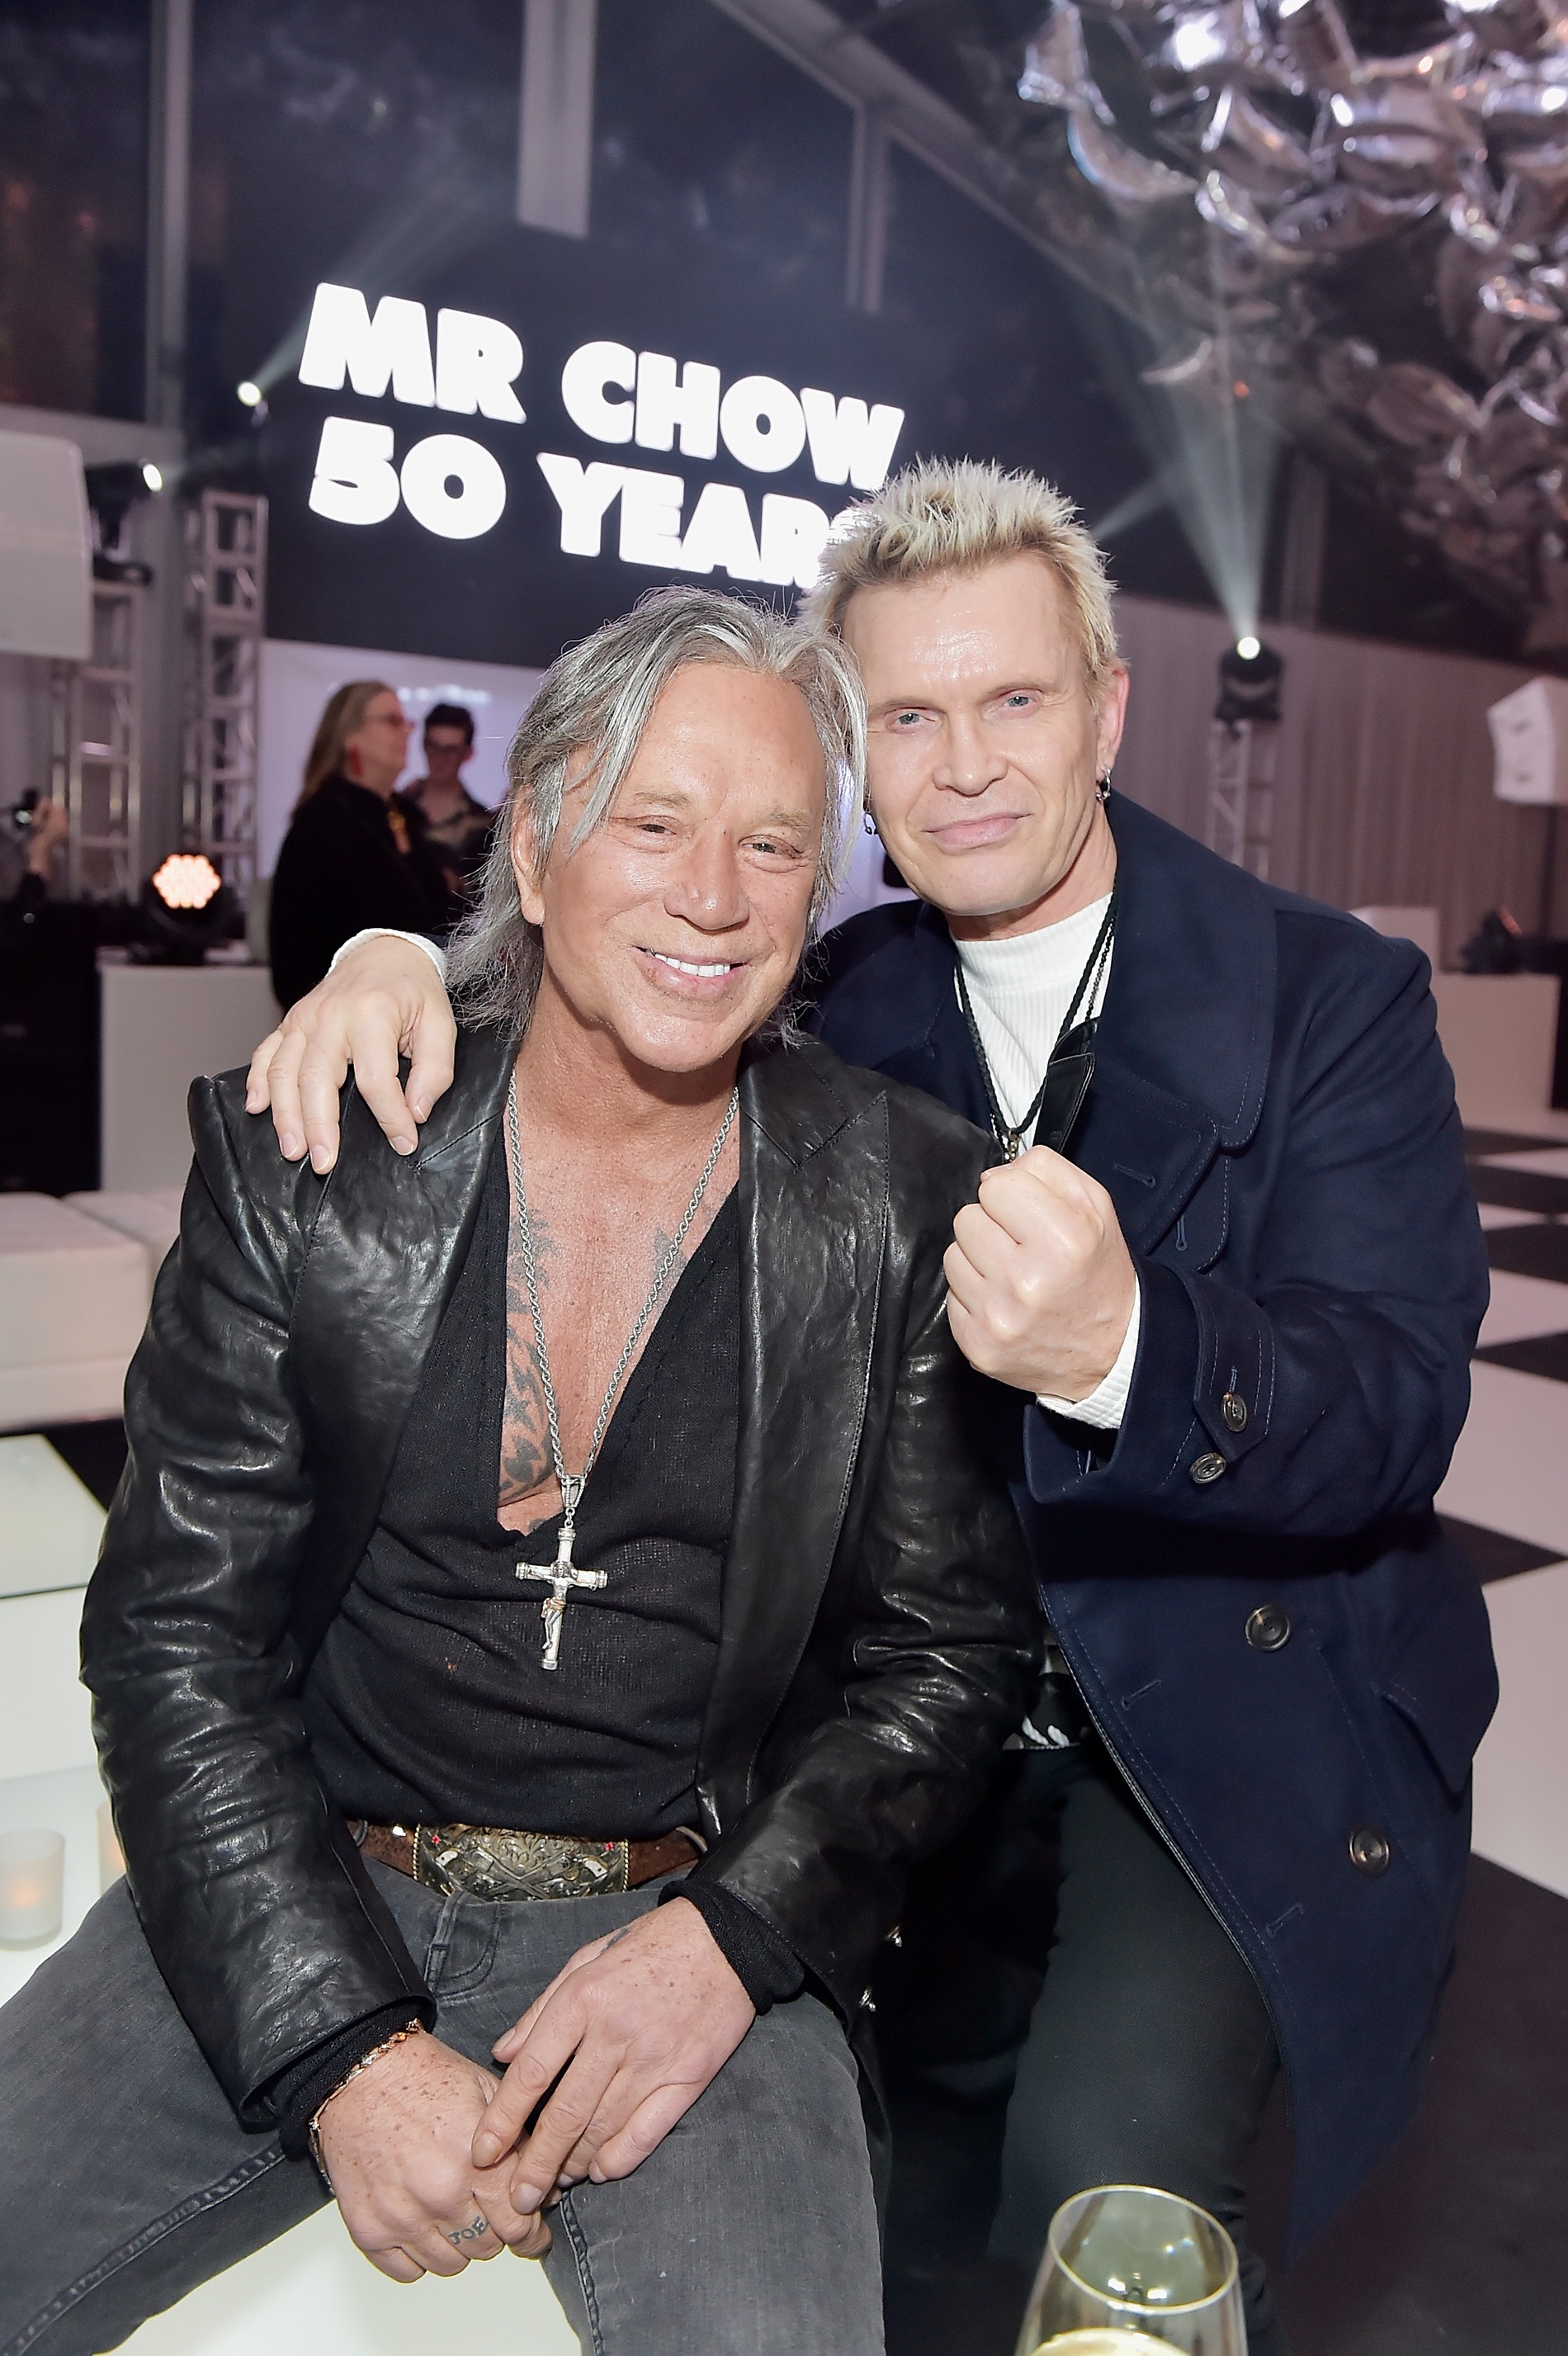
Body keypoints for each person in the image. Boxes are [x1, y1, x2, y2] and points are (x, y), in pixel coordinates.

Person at [257, 464, 1498, 2354]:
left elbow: (1396, 1408)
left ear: (1107, 709)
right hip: (903, 1703)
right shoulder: (837, 991)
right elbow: (598, 997)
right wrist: (390, 957)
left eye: (1012, 700)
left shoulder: (1324, 997)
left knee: (1103, 2171)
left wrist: (1132, 1347)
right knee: (868, 2184)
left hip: (1187, 1713)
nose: (965, 763)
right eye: (906, 716)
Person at [0, 587, 1039, 2356]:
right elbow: (177, 1634)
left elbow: (943, 1659)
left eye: (772, 842)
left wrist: (733, 1938)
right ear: (538, 847)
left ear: (818, 889)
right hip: (304, 1866)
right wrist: (337, 2042)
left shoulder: (900, 1198)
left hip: (679, 1918)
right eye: (654, 822)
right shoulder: (314, 1149)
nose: (712, 895)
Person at [267, 679, 455, 1007]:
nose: (406, 733)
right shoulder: (320, 824)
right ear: (349, 735)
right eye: (392, 721)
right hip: (350, 1017)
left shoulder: (406, 818)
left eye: (406, 722)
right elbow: (293, 960)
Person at [397, 700, 494, 891]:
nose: (439, 758)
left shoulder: (481, 824)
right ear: (424, 745)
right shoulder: (396, 808)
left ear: (467, 754)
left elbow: (482, 893)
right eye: (433, 746)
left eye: (450, 751)